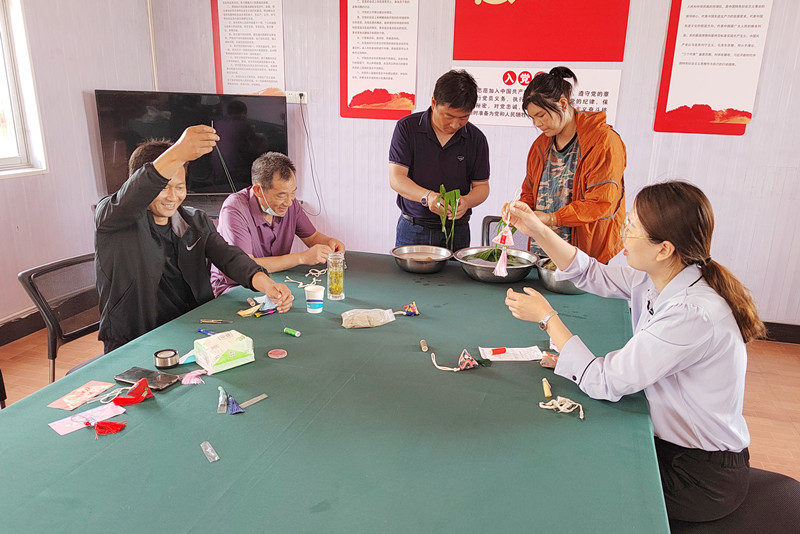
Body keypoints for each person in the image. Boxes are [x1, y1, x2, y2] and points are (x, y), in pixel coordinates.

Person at [502, 181, 765, 522]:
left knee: (575, 487)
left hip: (700, 476)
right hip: (671, 446)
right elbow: (589, 273)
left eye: (631, 227)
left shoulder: (691, 314)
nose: (623, 233)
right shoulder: (662, 277)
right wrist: (537, 229)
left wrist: (548, 319)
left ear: (663, 249)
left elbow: (604, 382)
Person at [95, 125, 293, 354]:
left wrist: (267, 285)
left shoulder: (194, 220)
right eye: (163, 187)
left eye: (179, 187)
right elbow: (133, 195)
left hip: (192, 331)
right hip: (135, 341)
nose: (173, 196)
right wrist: (178, 152)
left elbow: (229, 257)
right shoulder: (114, 219)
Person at [520, 66, 626, 264]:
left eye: (541, 115)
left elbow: (601, 202)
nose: (537, 123)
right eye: (533, 118)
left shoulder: (602, 141)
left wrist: (553, 219)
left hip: (586, 255)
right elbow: (529, 190)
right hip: (543, 252)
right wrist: (521, 209)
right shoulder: (540, 145)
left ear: (562, 103)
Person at [211, 152, 345, 296]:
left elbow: (312, 238)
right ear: (258, 190)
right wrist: (302, 258)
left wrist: (330, 242)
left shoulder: (291, 204)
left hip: (276, 281)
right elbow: (244, 267)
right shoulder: (234, 209)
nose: (288, 202)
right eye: (281, 195)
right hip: (236, 288)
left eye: (292, 193)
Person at [389, 69, 490, 250]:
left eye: (464, 117)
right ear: (434, 102)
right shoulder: (407, 128)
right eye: (449, 116)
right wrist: (428, 197)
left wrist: (467, 201)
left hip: (457, 230)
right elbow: (397, 178)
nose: (455, 124)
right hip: (414, 228)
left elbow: (482, 186)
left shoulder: (476, 138)